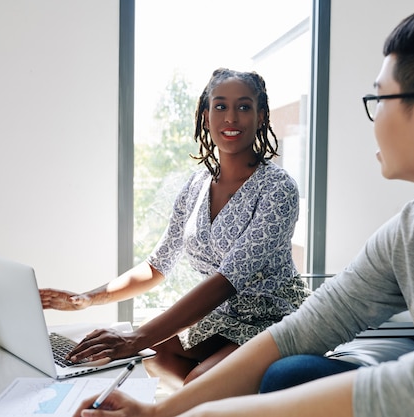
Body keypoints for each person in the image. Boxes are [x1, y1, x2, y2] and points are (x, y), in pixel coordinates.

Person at [73, 2, 414, 416]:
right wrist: (160, 412)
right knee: (289, 370)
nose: (374, 118)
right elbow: (301, 330)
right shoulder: (410, 232)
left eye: (379, 99)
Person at [40, 68, 310, 390]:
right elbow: (157, 265)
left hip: (277, 319)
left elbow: (227, 280)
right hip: (225, 318)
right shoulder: (195, 186)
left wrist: (133, 336)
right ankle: (216, 406)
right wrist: (87, 298)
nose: (231, 118)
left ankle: (207, 400)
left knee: (192, 378)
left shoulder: (278, 189)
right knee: (150, 353)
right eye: (221, 106)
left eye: (244, 106)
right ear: (205, 115)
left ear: (261, 116)